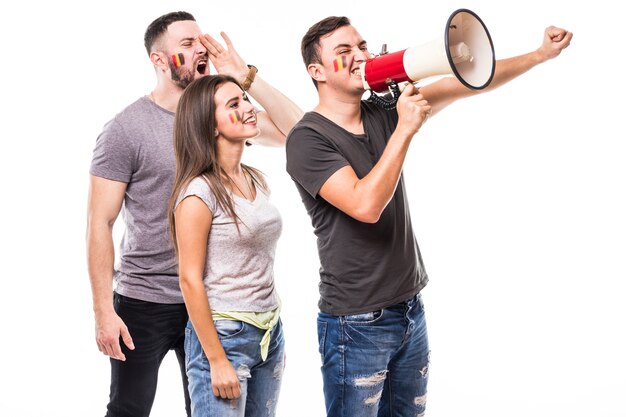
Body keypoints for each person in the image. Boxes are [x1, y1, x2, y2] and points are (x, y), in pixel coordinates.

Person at [285, 15, 572, 417]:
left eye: (362, 46)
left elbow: (468, 83)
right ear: (316, 71)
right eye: (343, 52)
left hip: (409, 308)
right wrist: (404, 129)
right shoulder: (307, 138)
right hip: (356, 322)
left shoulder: (382, 111)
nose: (359, 57)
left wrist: (540, 54)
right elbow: (365, 205)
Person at [87, 11, 302, 417]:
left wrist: (243, 77)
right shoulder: (125, 129)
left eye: (200, 40)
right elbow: (100, 222)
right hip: (145, 298)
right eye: (186, 45)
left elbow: (298, 132)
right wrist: (103, 310)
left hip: (213, 301)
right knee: (128, 408)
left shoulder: (220, 119)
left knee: (207, 406)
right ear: (159, 59)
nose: (200, 48)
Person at [169, 73, 291, 417]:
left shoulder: (254, 178)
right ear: (210, 126)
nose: (248, 108)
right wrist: (217, 360)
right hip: (224, 336)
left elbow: (293, 130)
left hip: (268, 332)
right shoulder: (198, 193)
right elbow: (189, 279)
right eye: (234, 104)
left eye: (245, 99)